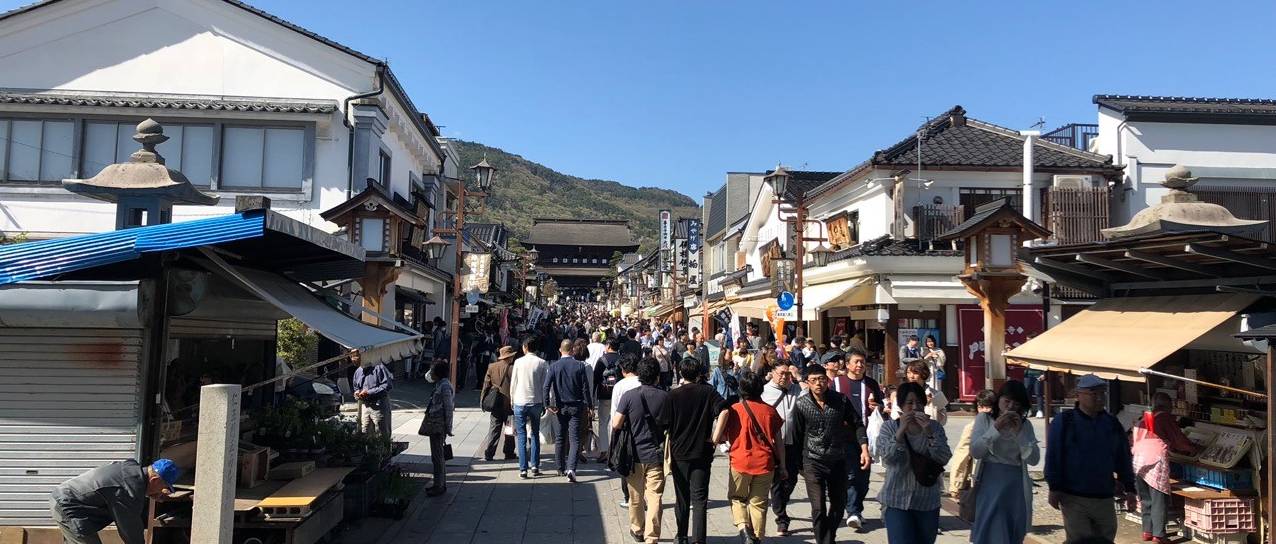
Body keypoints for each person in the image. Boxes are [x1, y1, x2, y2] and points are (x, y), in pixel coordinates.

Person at [1045, 374, 1136, 544]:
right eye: (1093, 394)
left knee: (1105, 540)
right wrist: (1054, 487)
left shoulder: (1111, 423)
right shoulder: (1064, 422)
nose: (1099, 398)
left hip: (1104, 496)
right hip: (1073, 496)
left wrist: (1129, 488)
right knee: (1079, 541)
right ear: (1079, 395)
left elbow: (1123, 457)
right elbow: (1054, 456)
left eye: (1102, 393)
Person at [789, 363, 870, 544]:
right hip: (812, 460)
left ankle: (829, 536)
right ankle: (823, 541)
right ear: (807, 383)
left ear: (827, 381)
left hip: (838, 459)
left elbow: (857, 423)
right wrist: (798, 466)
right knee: (818, 507)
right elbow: (797, 436)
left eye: (822, 379)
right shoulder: (801, 404)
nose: (819, 384)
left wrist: (864, 448)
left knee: (838, 504)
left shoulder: (840, 401)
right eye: (814, 380)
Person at [713, 369, 786, 544]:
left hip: (740, 461)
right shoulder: (770, 411)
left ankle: (744, 529)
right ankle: (757, 538)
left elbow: (721, 437)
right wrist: (782, 465)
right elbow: (779, 441)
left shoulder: (734, 410)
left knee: (737, 498)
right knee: (759, 503)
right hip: (765, 463)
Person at [876, 382, 952, 544]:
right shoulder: (889, 427)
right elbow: (888, 458)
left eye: (919, 402)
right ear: (901, 405)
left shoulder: (935, 427)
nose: (915, 407)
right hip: (897, 499)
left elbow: (944, 457)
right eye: (910, 403)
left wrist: (929, 433)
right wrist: (900, 431)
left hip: (927, 501)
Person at [666, 356, 727, 544]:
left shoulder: (673, 395)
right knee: (700, 498)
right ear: (699, 373)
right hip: (702, 451)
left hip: (679, 452)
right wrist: (715, 438)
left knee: (682, 496)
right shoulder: (708, 392)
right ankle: (699, 539)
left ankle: (682, 536)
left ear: (681, 373)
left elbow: (665, 423)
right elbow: (725, 410)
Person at [971, 380, 1040, 544]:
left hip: (1015, 483)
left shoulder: (1025, 425)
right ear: (998, 400)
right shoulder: (984, 419)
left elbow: (1034, 459)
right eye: (1006, 401)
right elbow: (976, 451)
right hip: (990, 480)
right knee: (990, 528)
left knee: (1012, 530)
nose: (1010, 407)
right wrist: (996, 428)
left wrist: (1019, 434)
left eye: (1016, 404)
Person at [610, 357, 671, 544]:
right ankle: (652, 536)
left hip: (633, 453)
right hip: (656, 453)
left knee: (635, 495)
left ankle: (637, 529)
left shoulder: (629, 395)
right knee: (654, 496)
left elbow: (616, 423)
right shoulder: (666, 396)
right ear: (657, 377)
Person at [51, 459, 180, 544]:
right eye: (164, 486)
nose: (163, 490)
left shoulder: (132, 469)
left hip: (70, 499)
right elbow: (130, 529)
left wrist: (151, 493)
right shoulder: (128, 489)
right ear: (155, 480)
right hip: (68, 505)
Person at [1132, 392, 1199, 543]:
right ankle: (1159, 535)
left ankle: (1147, 531)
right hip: (1155, 460)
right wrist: (1193, 449)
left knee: (1146, 499)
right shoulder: (1164, 418)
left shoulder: (1145, 418)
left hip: (1137, 460)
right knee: (1159, 499)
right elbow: (1179, 440)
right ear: (1167, 406)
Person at [842, 347, 885, 529]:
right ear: (847, 365)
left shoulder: (871, 384)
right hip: (844, 437)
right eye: (856, 362)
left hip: (867, 435)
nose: (860, 365)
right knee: (851, 474)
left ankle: (856, 509)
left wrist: (878, 406)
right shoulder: (836, 383)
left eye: (862, 362)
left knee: (863, 478)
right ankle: (853, 512)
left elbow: (882, 405)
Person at [763, 362, 804, 536]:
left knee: (792, 478)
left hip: (793, 443)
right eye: (781, 373)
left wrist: (799, 378)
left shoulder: (796, 389)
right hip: (773, 443)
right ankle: (782, 518)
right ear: (772, 373)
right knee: (777, 481)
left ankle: (780, 503)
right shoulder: (764, 391)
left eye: (788, 374)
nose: (784, 377)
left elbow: (812, 394)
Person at [544, 339, 594, 482]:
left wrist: (547, 403)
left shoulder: (554, 366)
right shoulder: (579, 366)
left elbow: (546, 386)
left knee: (560, 438)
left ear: (560, 350)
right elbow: (585, 388)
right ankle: (571, 468)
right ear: (572, 350)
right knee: (574, 439)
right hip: (576, 406)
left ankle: (560, 467)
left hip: (560, 406)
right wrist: (589, 405)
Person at [511, 336, 549, 478]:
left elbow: (513, 382)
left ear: (525, 347)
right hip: (536, 401)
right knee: (534, 433)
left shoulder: (518, 362)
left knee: (521, 435)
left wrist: (512, 399)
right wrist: (547, 402)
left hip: (520, 401)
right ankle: (534, 465)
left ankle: (523, 468)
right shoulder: (542, 363)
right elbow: (545, 385)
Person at [948, 389, 996, 498]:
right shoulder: (971, 428)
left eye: (988, 406)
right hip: (980, 476)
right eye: (980, 407)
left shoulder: (1001, 425)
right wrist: (956, 485)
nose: (984, 410)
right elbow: (961, 456)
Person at [420, 360, 455, 497]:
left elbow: (449, 408)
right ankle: (439, 483)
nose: (430, 374)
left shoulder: (444, 386)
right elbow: (427, 377)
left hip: (438, 424)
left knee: (438, 457)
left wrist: (448, 427)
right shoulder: (440, 384)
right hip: (435, 423)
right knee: (436, 456)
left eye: (432, 371)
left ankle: (439, 485)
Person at [479, 345, 518, 461]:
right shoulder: (514, 368)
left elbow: (486, 385)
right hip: (509, 403)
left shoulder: (492, 367)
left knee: (494, 429)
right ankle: (509, 452)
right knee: (509, 429)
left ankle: (489, 453)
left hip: (495, 402)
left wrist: (482, 401)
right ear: (510, 357)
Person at [594, 338, 624, 462]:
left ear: (609, 346)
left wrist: (592, 397)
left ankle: (604, 451)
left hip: (604, 394)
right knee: (616, 422)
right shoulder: (622, 359)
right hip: (620, 394)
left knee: (602, 422)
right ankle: (615, 449)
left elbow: (595, 379)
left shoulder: (602, 360)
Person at [351, 351, 393, 440]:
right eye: (351, 356)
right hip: (365, 405)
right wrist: (357, 393)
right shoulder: (358, 371)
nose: (352, 359)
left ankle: (383, 451)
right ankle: (368, 452)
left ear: (363, 356)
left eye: (355, 356)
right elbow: (355, 387)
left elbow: (387, 386)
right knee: (365, 432)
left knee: (382, 433)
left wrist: (369, 392)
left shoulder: (378, 367)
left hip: (379, 405)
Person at [900, 360, 948, 426]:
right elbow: (895, 416)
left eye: (915, 373)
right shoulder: (901, 393)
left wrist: (932, 405)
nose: (911, 376)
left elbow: (943, 420)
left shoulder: (935, 393)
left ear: (924, 374)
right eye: (908, 373)